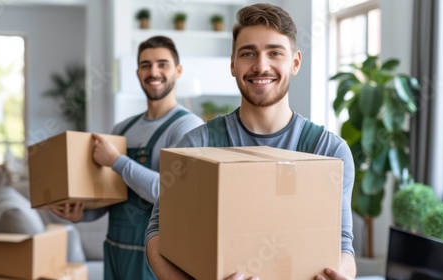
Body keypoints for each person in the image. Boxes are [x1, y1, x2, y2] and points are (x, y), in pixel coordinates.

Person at [145, 3, 357, 280]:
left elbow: (342, 244)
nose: (261, 66)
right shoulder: (196, 145)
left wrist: (342, 274)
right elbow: (158, 232)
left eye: (274, 53)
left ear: (295, 63)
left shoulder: (329, 151)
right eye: (248, 53)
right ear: (232, 64)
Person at [51, 36, 205, 280]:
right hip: (114, 251)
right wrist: (82, 215)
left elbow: (170, 194)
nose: (153, 71)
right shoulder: (122, 128)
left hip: (154, 258)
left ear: (178, 71)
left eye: (162, 64)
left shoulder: (188, 126)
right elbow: (113, 193)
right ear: (137, 72)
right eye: (145, 65)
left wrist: (117, 161)